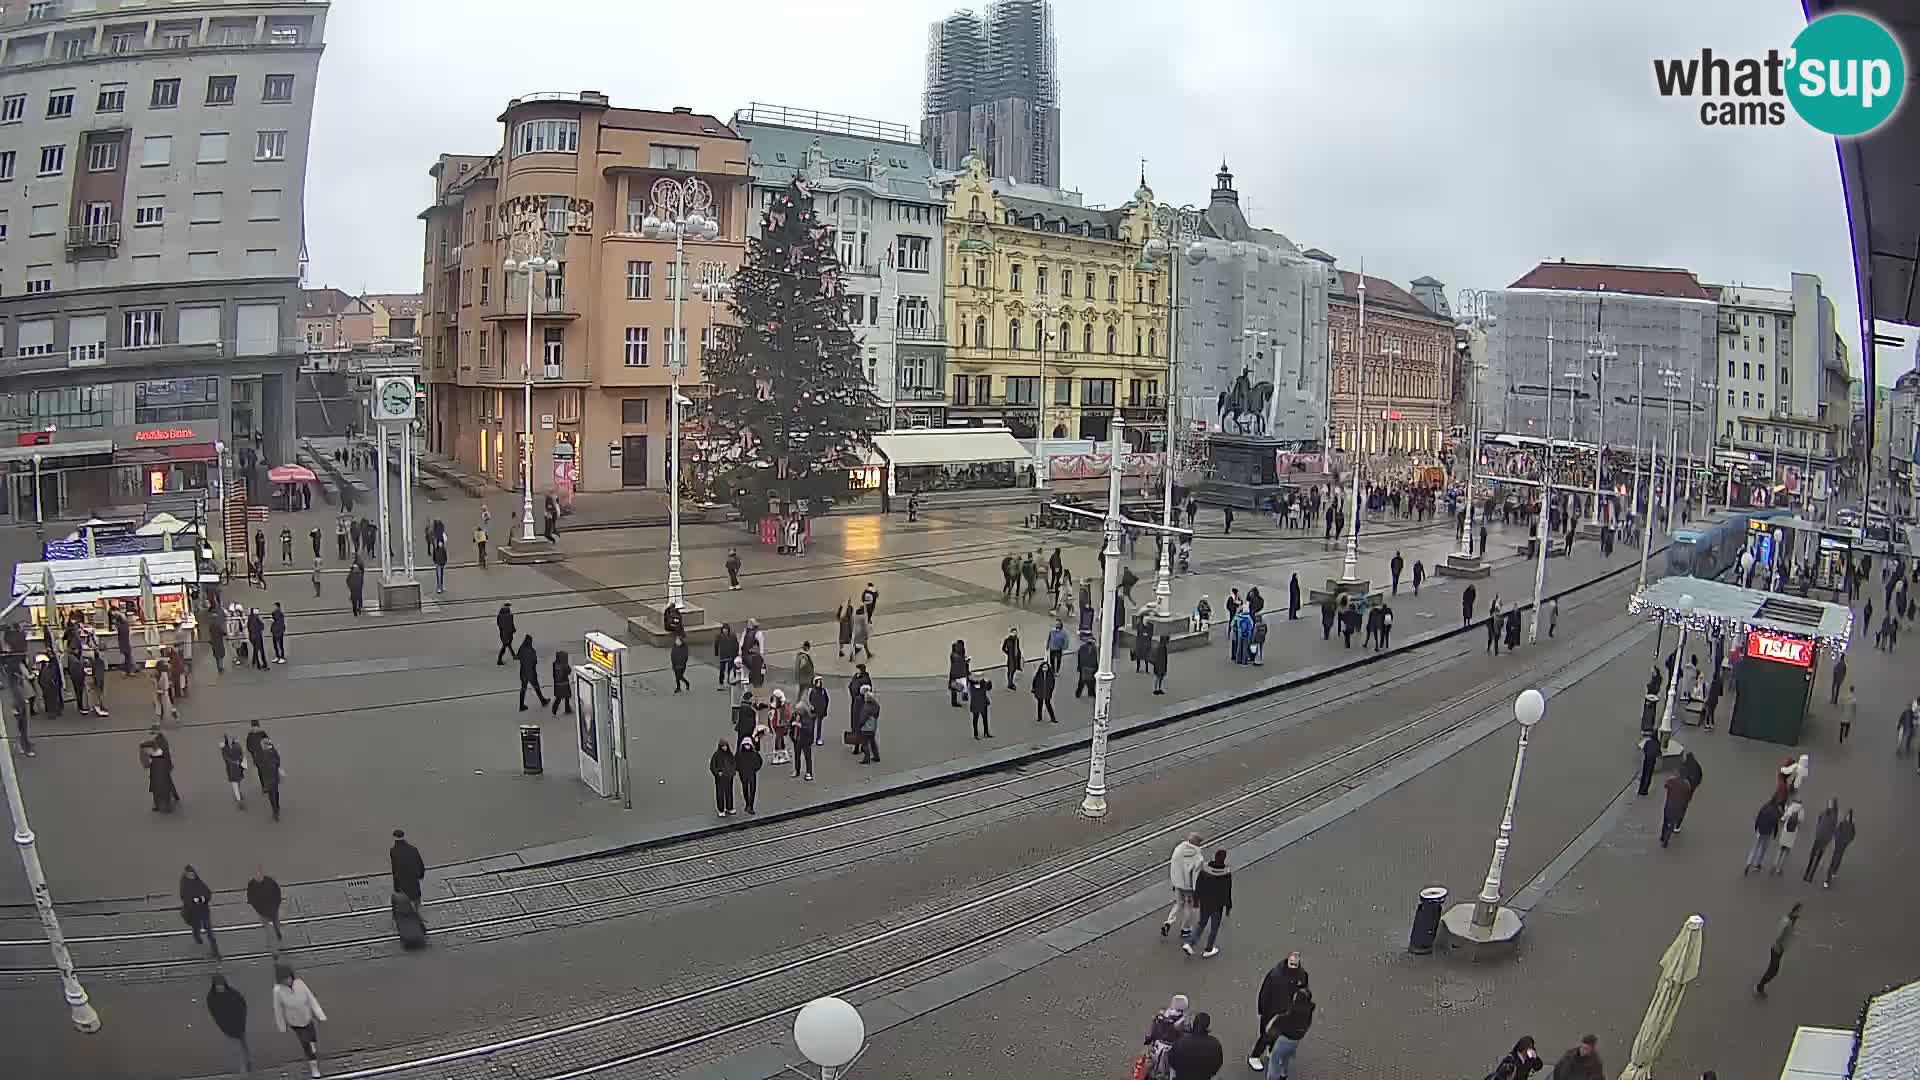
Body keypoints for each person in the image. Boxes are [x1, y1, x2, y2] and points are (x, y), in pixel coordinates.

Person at [1248, 951, 1308, 1069]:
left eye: (1295, 964)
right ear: (1287, 960)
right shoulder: (1275, 975)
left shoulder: (1302, 975)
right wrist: (1263, 1011)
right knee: (1266, 1035)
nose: (1293, 966)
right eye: (1291, 963)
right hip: (1271, 1012)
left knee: (1279, 1034)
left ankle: (1271, 1050)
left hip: (1288, 1013)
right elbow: (1265, 994)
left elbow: (1303, 992)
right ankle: (1254, 1056)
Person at [271, 962, 328, 1077]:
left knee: (312, 1038)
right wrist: (282, 1025)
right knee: (305, 1043)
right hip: (295, 1023)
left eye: (288, 978)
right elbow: (278, 1009)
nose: (288, 981)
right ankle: (314, 1067)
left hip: (307, 1017)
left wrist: (320, 1014)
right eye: (284, 979)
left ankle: (312, 1046)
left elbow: (311, 999)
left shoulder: (300, 984)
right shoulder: (277, 991)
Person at [1187, 849, 1232, 957]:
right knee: (1214, 927)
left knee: (1202, 923)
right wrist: (1228, 907)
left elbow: (1198, 886)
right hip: (1218, 905)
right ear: (1224, 859)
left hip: (1205, 902)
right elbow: (1227, 891)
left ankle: (1190, 943)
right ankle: (1208, 949)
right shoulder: (1226, 873)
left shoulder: (1205, 870)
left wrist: (1196, 901)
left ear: (1214, 857)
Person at [206, 973, 253, 1076]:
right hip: (227, 1027)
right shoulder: (212, 998)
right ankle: (243, 1066)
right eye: (218, 986)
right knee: (236, 1047)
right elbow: (214, 1014)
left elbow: (243, 1004)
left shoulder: (232, 993)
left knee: (243, 1043)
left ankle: (248, 1061)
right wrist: (222, 1026)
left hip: (239, 1024)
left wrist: (241, 1019)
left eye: (221, 985)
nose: (220, 988)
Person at [1160, 832, 1205, 940]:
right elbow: (1196, 876)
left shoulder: (1178, 850)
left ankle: (1169, 922)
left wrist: (1175, 882)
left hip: (1178, 884)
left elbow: (1174, 867)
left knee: (1178, 904)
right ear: (1197, 843)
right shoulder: (1198, 858)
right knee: (1188, 907)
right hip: (1188, 887)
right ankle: (1185, 929)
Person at [1263, 985, 1314, 1080]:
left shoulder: (1290, 1015)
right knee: (1285, 1057)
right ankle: (1283, 1074)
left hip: (1284, 1040)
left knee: (1275, 1060)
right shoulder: (1308, 1010)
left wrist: (1272, 1023)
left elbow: (1272, 1027)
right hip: (1295, 1041)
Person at [1754, 902, 1802, 997]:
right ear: (1794, 911)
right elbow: (1779, 936)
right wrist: (1779, 946)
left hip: (1779, 948)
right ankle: (1760, 987)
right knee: (1773, 971)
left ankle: (1760, 986)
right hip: (1777, 949)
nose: (1800, 914)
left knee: (1773, 970)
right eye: (1798, 911)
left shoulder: (1789, 920)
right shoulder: (1787, 922)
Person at [1143, 995, 1192, 1080]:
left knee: (1154, 1072)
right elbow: (1187, 1037)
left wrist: (1149, 1040)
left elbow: (1150, 1035)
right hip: (1173, 1051)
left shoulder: (1160, 1015)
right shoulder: (1184, 1020)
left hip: (1157, 1049)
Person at [1168, 1011, 1224, 1080]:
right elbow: (1218, 1063)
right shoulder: (1215, 1044)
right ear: (1207, 1026)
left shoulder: (1180, 1042)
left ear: (1194, 1024)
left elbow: (1171, 1060)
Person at [180, 865, 218, 957]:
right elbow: (185, 898)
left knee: (209, 931)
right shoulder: (184, 885)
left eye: (193, 874)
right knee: (196, 926)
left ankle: (215, 951)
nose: (192, 876)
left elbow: (208, 893)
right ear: (186, 874)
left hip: (204, 910)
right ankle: (197, 937)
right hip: (193, 912)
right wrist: (195, 900)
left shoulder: (199, 882)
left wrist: (202, 899)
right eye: (190, 874)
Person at [1803, 798, 1840, 883]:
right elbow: (1819, 821)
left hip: (1824, 840)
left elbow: (1833, 830)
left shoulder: (1834, 816)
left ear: (1834, 805)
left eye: (1831, 803)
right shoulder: (1825, 812)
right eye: (1829, 803)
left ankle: (1811, 875)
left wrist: (1827, 841)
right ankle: (1806, 873)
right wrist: (1817, 830)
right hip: (1818, 837)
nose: (1829, 804)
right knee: (1812, 856)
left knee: (1817, 858)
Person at [142, 728, 178, 811]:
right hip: (156, 767)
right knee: (160, 784)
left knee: (164, 784)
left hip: (161, 766)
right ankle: (161, 802)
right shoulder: (157, 741)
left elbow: (164, 754)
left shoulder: (161, 742)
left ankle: (166, 802)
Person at [390, 829, 426, 904]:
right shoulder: (413, 849)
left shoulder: (393, 851)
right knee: (416, 900)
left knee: (405, 904)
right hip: (413, 881)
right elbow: (420, 864)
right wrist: (420, 875)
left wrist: (396, 886)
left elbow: (395, 869)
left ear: (394, 838)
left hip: (402, 882)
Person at [248, 866, 283, 941]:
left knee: (273, 921)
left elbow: (277, 893)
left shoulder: (253, 884)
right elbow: (277, 892)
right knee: (271, 922)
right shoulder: (269, 881)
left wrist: (277, 904)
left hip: (269, 908)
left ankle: (275, 933)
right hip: (264, 909)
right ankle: (274, 934)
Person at [1824, 809, 1856, 887]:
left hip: (1843, 846)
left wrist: (1847, 842)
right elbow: (1837, 831)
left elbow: (1852, 835)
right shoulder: (1843, 823)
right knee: (1834, 860)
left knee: (1838, 859)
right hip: (1838, 845)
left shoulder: (1852, 826)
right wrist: (1837, 838)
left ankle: (1833, 872)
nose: (1848, 817)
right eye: (1847, 816)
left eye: (1849, 816)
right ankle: (1828, 880)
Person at [1660, 771, 1692, 848]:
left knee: (1665, 821)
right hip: (1678, 808)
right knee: (1671, 824)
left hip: (1668, 805)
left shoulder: (1671, 781)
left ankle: (1662, 836)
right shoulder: (1686, 785)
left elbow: (1665, 785)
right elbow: (1688, 797)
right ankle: (1666, 840)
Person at [1773, 796, 1804, 875]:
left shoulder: (1790, 808)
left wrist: (1785, 812)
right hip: (1793, 833)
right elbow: (1800, 821)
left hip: (1785, 831)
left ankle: (1775, 864)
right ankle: (1779, 869)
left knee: (1780, 849)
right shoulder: (1801, 811)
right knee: (1786, 852)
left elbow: (1783, 818)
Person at [516, 635, 547, 711]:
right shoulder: (532, 650)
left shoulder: (521, 649)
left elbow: (517, 657)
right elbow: (535, 662)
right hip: (531, 673)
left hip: (523, 672)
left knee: (523, 688)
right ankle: (542, 700)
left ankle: (521, 705)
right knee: (536, 687)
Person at [735, 735, 762, 814]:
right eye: (745, 745)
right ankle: (747, 803)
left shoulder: (754, 753)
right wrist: (739, 770)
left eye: (748, 745)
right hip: (743, 774)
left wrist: (755, 769)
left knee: (752, 789)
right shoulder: (739, 753)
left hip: (752, 774)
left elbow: (759, 762)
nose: (747, 746)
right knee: (745, 788)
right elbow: (735, 762)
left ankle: (751, 806)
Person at [221, 734, 248, 807]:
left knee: (234, 785)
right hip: (238, 769)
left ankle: (239, 800)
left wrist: (223, 747)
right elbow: (242, 755)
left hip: (231, 770)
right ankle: (239, 794)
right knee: (238, 782)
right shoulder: (238, 747)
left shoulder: (226, 751)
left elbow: (225, 756)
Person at [790, 701, 815, 780]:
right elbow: (791, 724)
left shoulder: (808, 717)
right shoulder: (795, 715)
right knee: (797, 756)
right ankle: (797, 771)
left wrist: (801, 726)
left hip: (805, 739)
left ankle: (809, 772)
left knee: (807, 756)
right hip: (796, 738)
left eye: (798, 710)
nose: (797, 711)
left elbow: (809, 729)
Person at [857, 688, 880, 763]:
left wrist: (859, 726)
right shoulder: (876, 705)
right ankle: (877, 756)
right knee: (873, 743)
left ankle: (866, 759)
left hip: (866, 728)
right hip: (873, 727)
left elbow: (862, 720)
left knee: (865, 744)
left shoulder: (866, 708)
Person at [967, 673, 993, 739]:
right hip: (977, 704)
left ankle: (986, 732)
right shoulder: (973, 686)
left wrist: (989, 682)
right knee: (976, 719)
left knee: (984, 719)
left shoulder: (982, 684)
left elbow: (989, 688)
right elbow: (985, 688)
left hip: (982, 703)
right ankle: (976, 734)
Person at [550, 650, 574, 715]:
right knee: (566, 696)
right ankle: (566, 709)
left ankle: (555, 709)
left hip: (557, 684)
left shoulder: (555, 664)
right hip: (564, 683)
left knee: (559, 697)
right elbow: (569, 671)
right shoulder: (564, 665)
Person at [947, 641, 970, 707]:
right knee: (955, 687)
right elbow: (958, 660)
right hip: (955, 673)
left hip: (961, 672)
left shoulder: (961, 652)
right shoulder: (954, 655)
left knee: (963, 684)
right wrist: (964, 660)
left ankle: (964, 696)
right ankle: (954, 702)